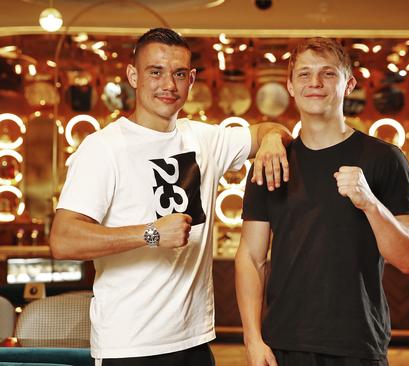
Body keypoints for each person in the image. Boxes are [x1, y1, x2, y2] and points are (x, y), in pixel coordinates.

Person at [50, 28, 292, 365]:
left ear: (191, 80)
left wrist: (270, 141)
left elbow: (272, 130)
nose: (169, 85)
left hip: (194, 343)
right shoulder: (103, 148)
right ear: (133, 76)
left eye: (179, 74)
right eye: (156, 72)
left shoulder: (206, 140)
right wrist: (150, 233)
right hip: (130, 348)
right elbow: (63, 240)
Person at [236, 37, 409, 366]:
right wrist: (252, 339)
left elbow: (408, 259)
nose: (315, 83)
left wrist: (369, 203)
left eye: (327, 74)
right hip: (283, 343)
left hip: (357, 344)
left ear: (348, 83)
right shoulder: (271, 162)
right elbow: (252, 257)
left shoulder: (385, 159)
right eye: (304, 74)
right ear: (291, 87)